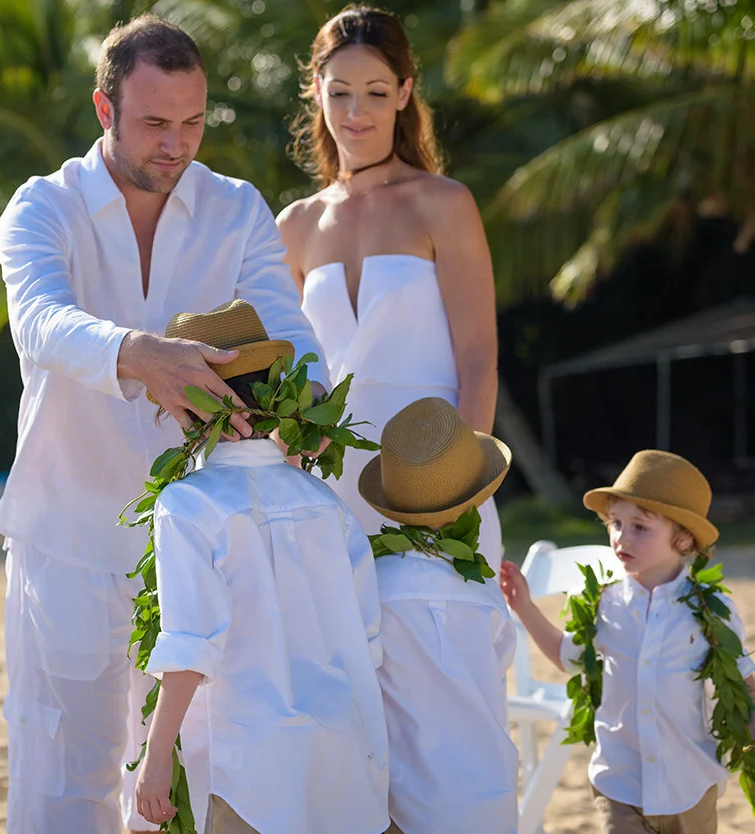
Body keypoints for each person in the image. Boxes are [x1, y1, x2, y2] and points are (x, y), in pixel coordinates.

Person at [0, 14, 329, 834]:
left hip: (201, 537)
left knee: (182, 779)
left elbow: (290, 330)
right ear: (103, 109)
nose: (177, 144)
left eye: (193, 121)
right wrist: (135, 353)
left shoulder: (237, 207)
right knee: (63, 778)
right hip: (67, 532)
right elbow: (38, 322)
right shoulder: (42, 206)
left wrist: (312, 401)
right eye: (154, 123)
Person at [278, 7, 516, 831]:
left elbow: (478, 358)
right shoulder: (293, 226)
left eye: (377, 92)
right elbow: (290, 379)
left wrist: (457, 495)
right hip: (331, 496)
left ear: (406, 92)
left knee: (451, 715)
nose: (357, 112)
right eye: (341, 91)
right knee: (347, 713)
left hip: (436, 480)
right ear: (316, 90)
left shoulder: (443, 203)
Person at [133, 300, 388, 834]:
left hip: (251, 765)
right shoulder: (325, 502)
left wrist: (156, 759)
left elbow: (192, 645)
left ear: (188, 407)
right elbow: (366, 639)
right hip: (339, 749)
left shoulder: (187, 504)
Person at [501, 450, 755, 834]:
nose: (622, 536)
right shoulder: (603, 602)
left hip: (688, 782)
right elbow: (569, 658)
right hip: (619, 782)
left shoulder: (709, 609)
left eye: (640, 527)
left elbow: (738, 674)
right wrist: (524, 607)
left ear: (683, 539)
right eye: (616, 523)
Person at [356, 397, 518, 833]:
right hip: (487, 795)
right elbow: (500, 661)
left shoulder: (373, 585)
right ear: (473, 503)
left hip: (405, 799)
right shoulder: (482, 590)